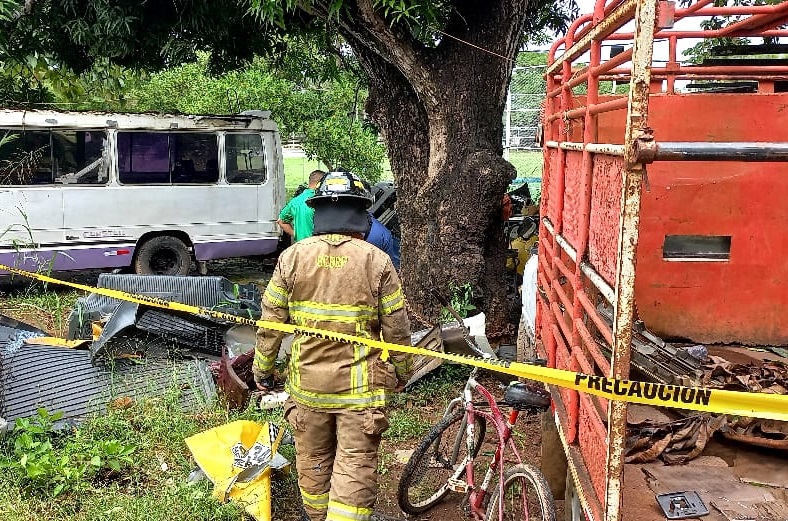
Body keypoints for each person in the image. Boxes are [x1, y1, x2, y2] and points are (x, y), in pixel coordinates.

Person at [253, 170, 412, 521]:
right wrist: (402, 371)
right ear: (361, 214)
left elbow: (269, 324)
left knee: (312, 458)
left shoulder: (292, 258)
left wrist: (262, 371)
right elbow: (397, 329)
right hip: (359, 393)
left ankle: (316, 514)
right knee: (354, 463)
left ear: (318, 212)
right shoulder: (376, 260)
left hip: (307, 388)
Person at [277, 169, 325, 242]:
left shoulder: (295, 201)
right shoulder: (323, 201)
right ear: (321, 184)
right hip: (319, 248)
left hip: (301, 247)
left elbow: (281, 221)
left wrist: (297, 234)